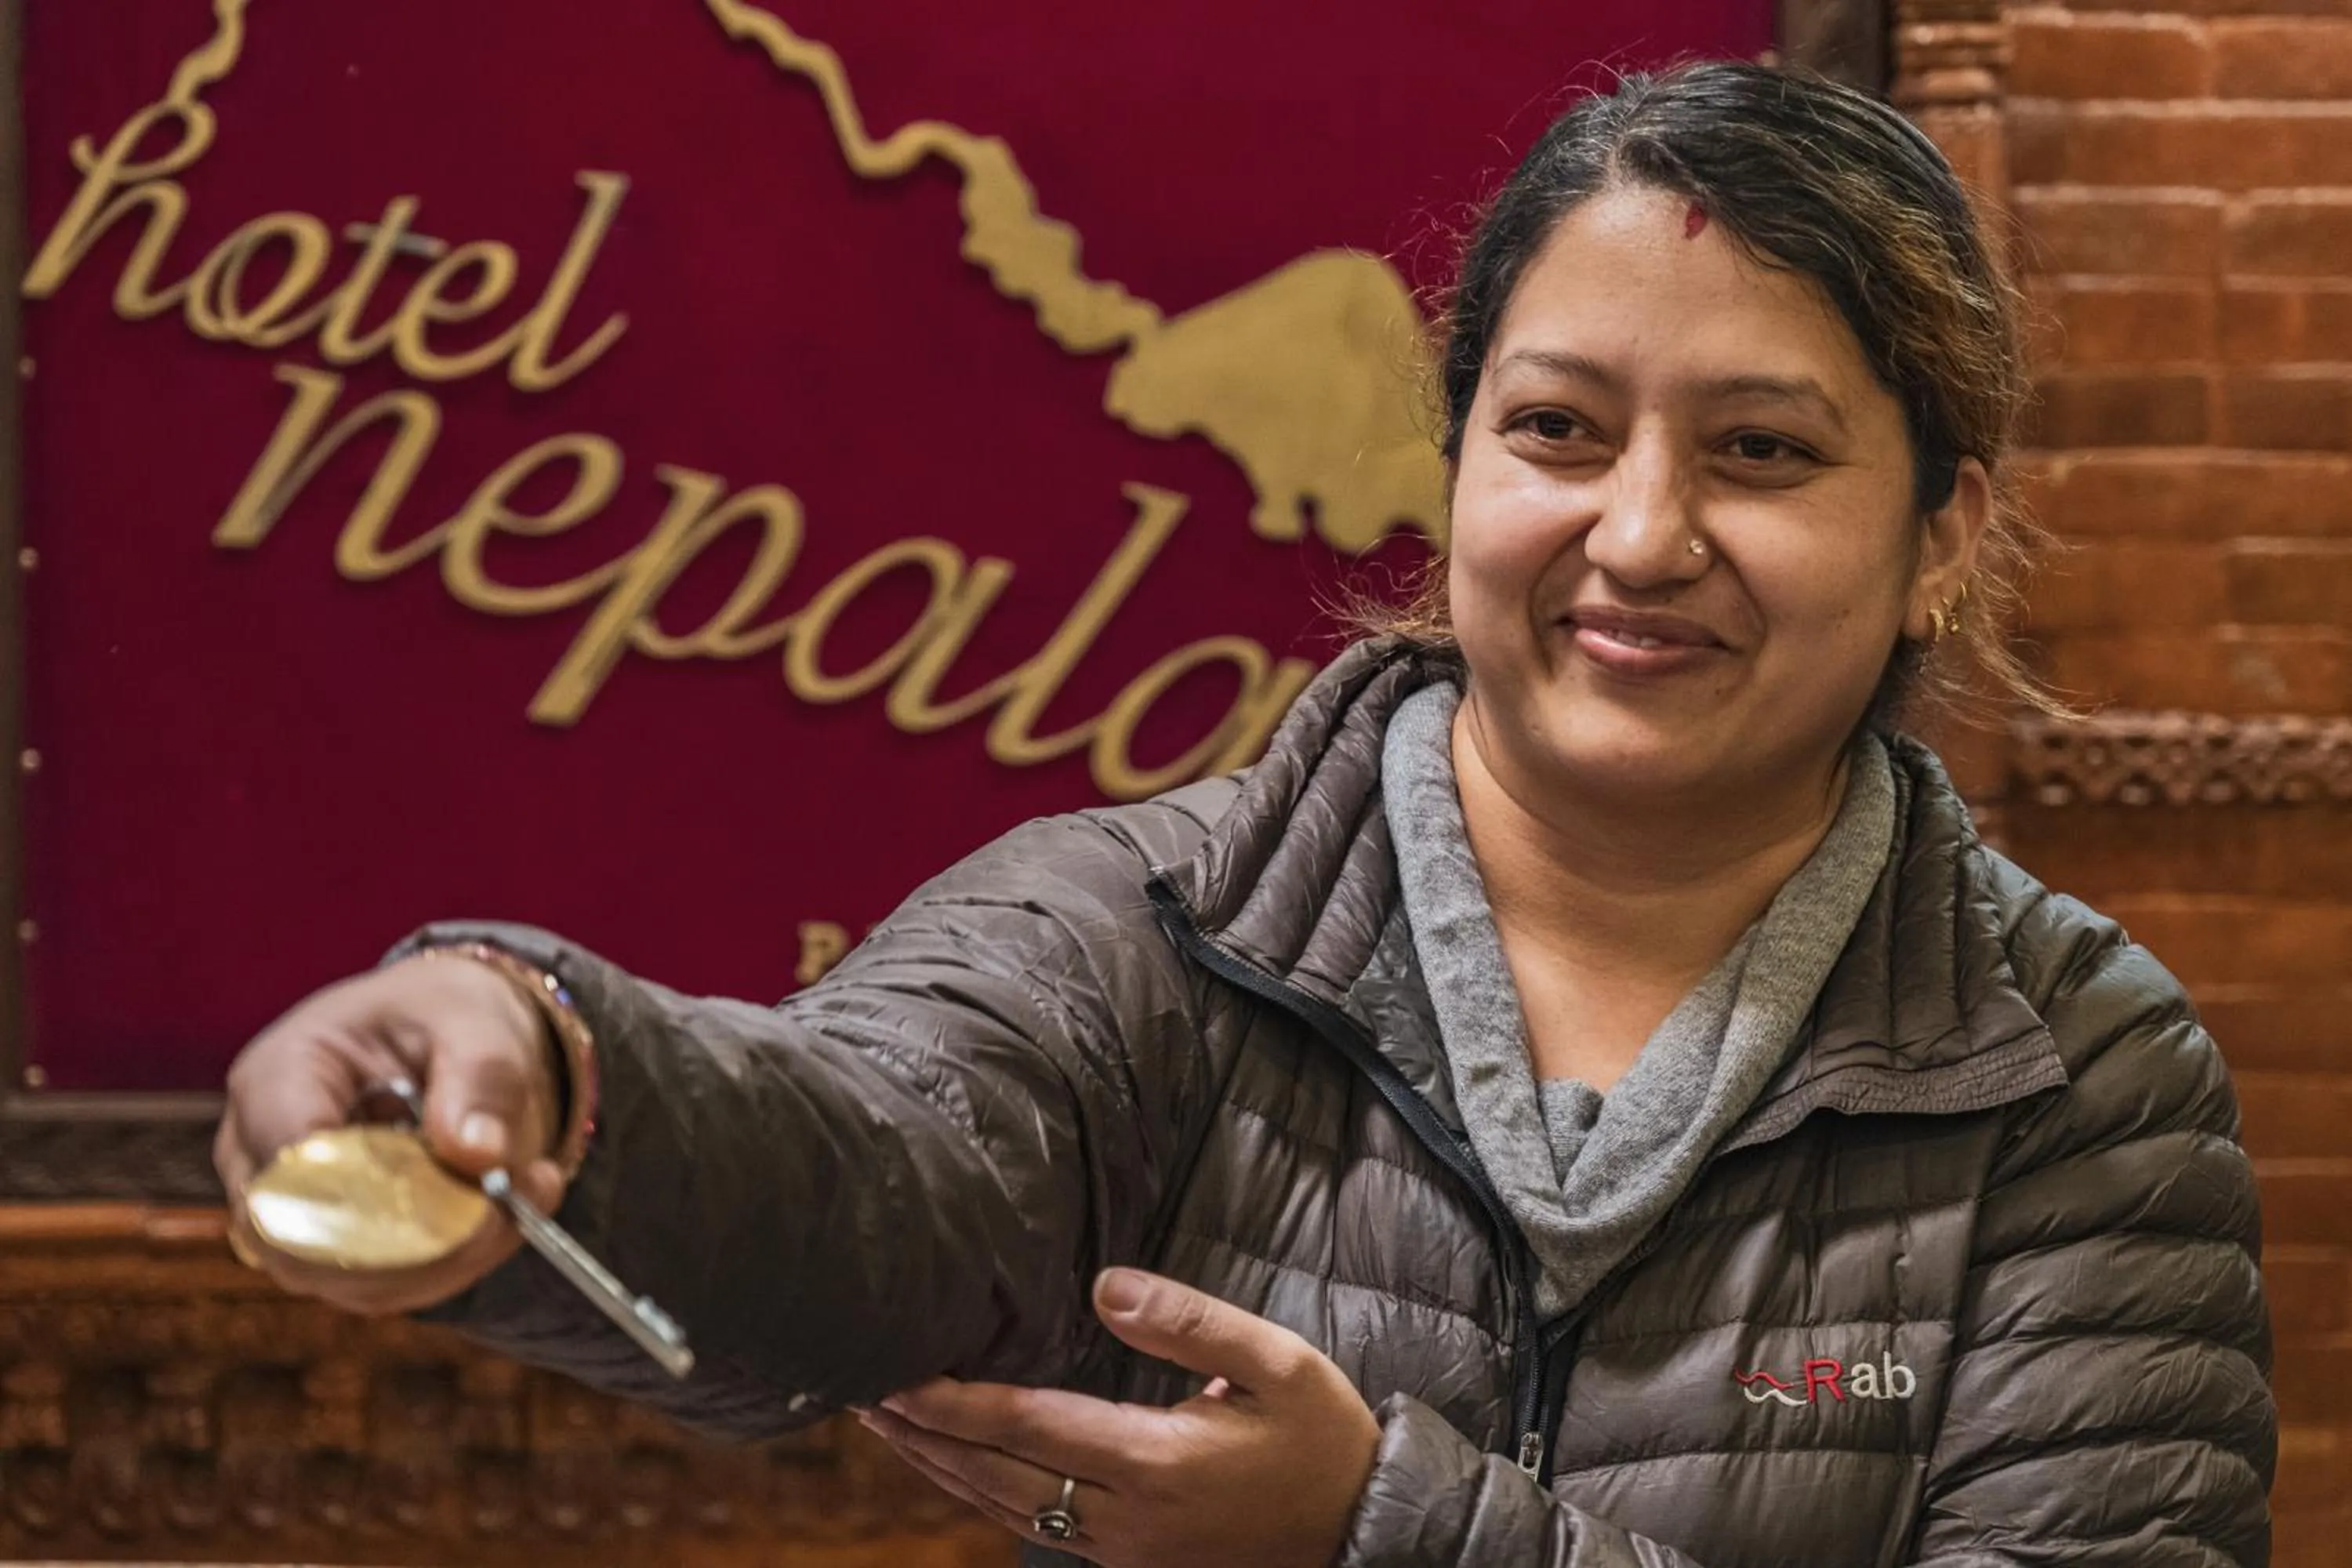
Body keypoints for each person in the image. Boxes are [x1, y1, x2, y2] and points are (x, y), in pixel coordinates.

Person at [215, 62, 2277, 1568]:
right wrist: (536, 1063)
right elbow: (856, 1185)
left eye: (1761, 451)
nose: (1639, 536)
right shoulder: (1152, 920)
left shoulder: (2078, 1073)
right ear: (1459, 458)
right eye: (1556, 429)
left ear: (1940, 540)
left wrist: (1381, 1531)